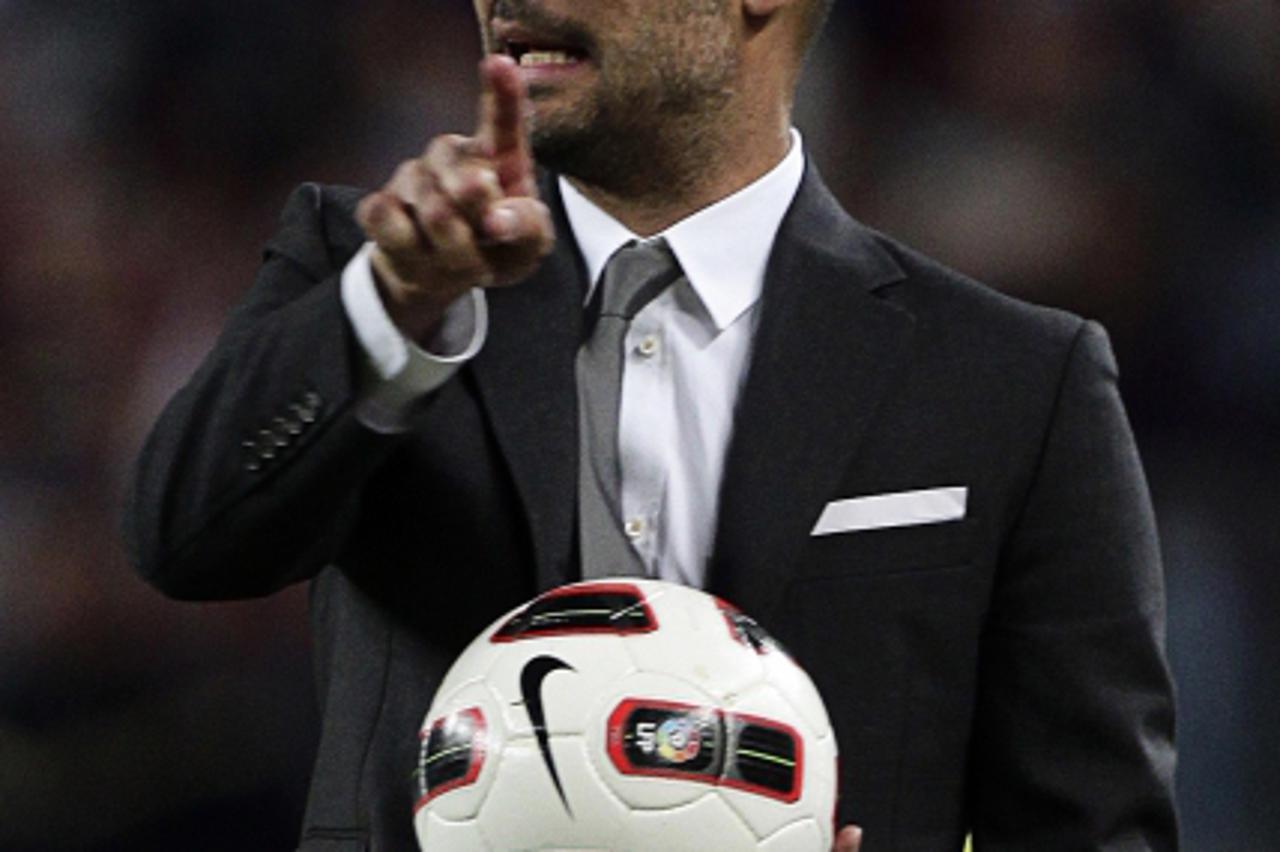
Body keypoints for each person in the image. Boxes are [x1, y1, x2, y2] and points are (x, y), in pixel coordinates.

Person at [125, 0, 1179, 849]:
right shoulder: (379, 269)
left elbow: (1089, 826)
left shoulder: (1013, 379)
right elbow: (186, 539)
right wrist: (392, 308)